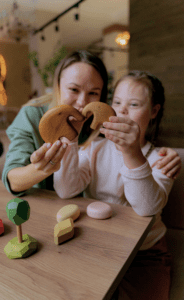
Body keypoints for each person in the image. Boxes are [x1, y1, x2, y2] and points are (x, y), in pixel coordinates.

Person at [54, 70, 177, 300]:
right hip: (99, 244)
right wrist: (70, 140)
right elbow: (66, 189)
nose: (122, 110)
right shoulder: (95, 148)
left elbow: (147, 208)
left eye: (134, 104)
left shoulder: (161, 160)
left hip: (145, 253)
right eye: (117, 102)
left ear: (153, 111)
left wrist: (132, 153)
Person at [2, 50, 181, 197]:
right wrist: (42, 168)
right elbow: (13, 180)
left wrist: (170, 154)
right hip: (41, 206)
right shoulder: (32, 116)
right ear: (57, 85)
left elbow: (130, 145)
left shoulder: (99, 124)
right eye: (73, 89)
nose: (82, 102)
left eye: (93, 93)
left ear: (102, 97)